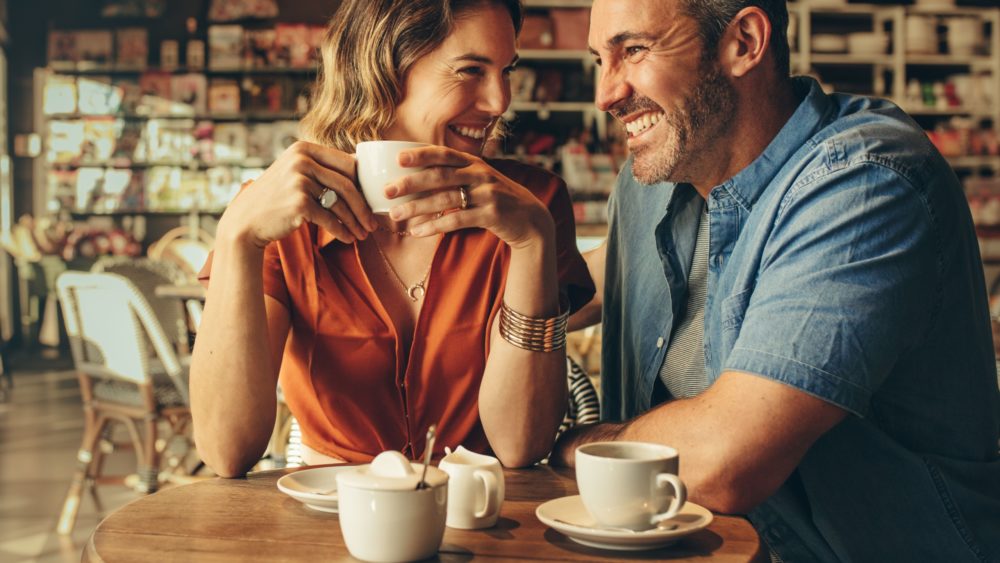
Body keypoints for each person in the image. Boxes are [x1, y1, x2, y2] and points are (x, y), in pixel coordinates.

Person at [556, 1, 1000, 561]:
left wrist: (577, 443)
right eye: (600, 59)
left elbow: (725, 461)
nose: (607, 94)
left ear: (743, 41)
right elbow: (596, 280)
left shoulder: (864, 183)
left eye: (634, 50)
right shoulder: (655, 181)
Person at [190, 0, 594, 478]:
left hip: (484, 525)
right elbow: (226, 450)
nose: (500, 101)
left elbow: (520, 444)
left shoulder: (532, 205)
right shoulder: (279, 216)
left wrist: (533, 244)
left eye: (506, 71)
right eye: (471, 70)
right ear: (384, 68)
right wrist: (237, 236)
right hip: (330, 523)